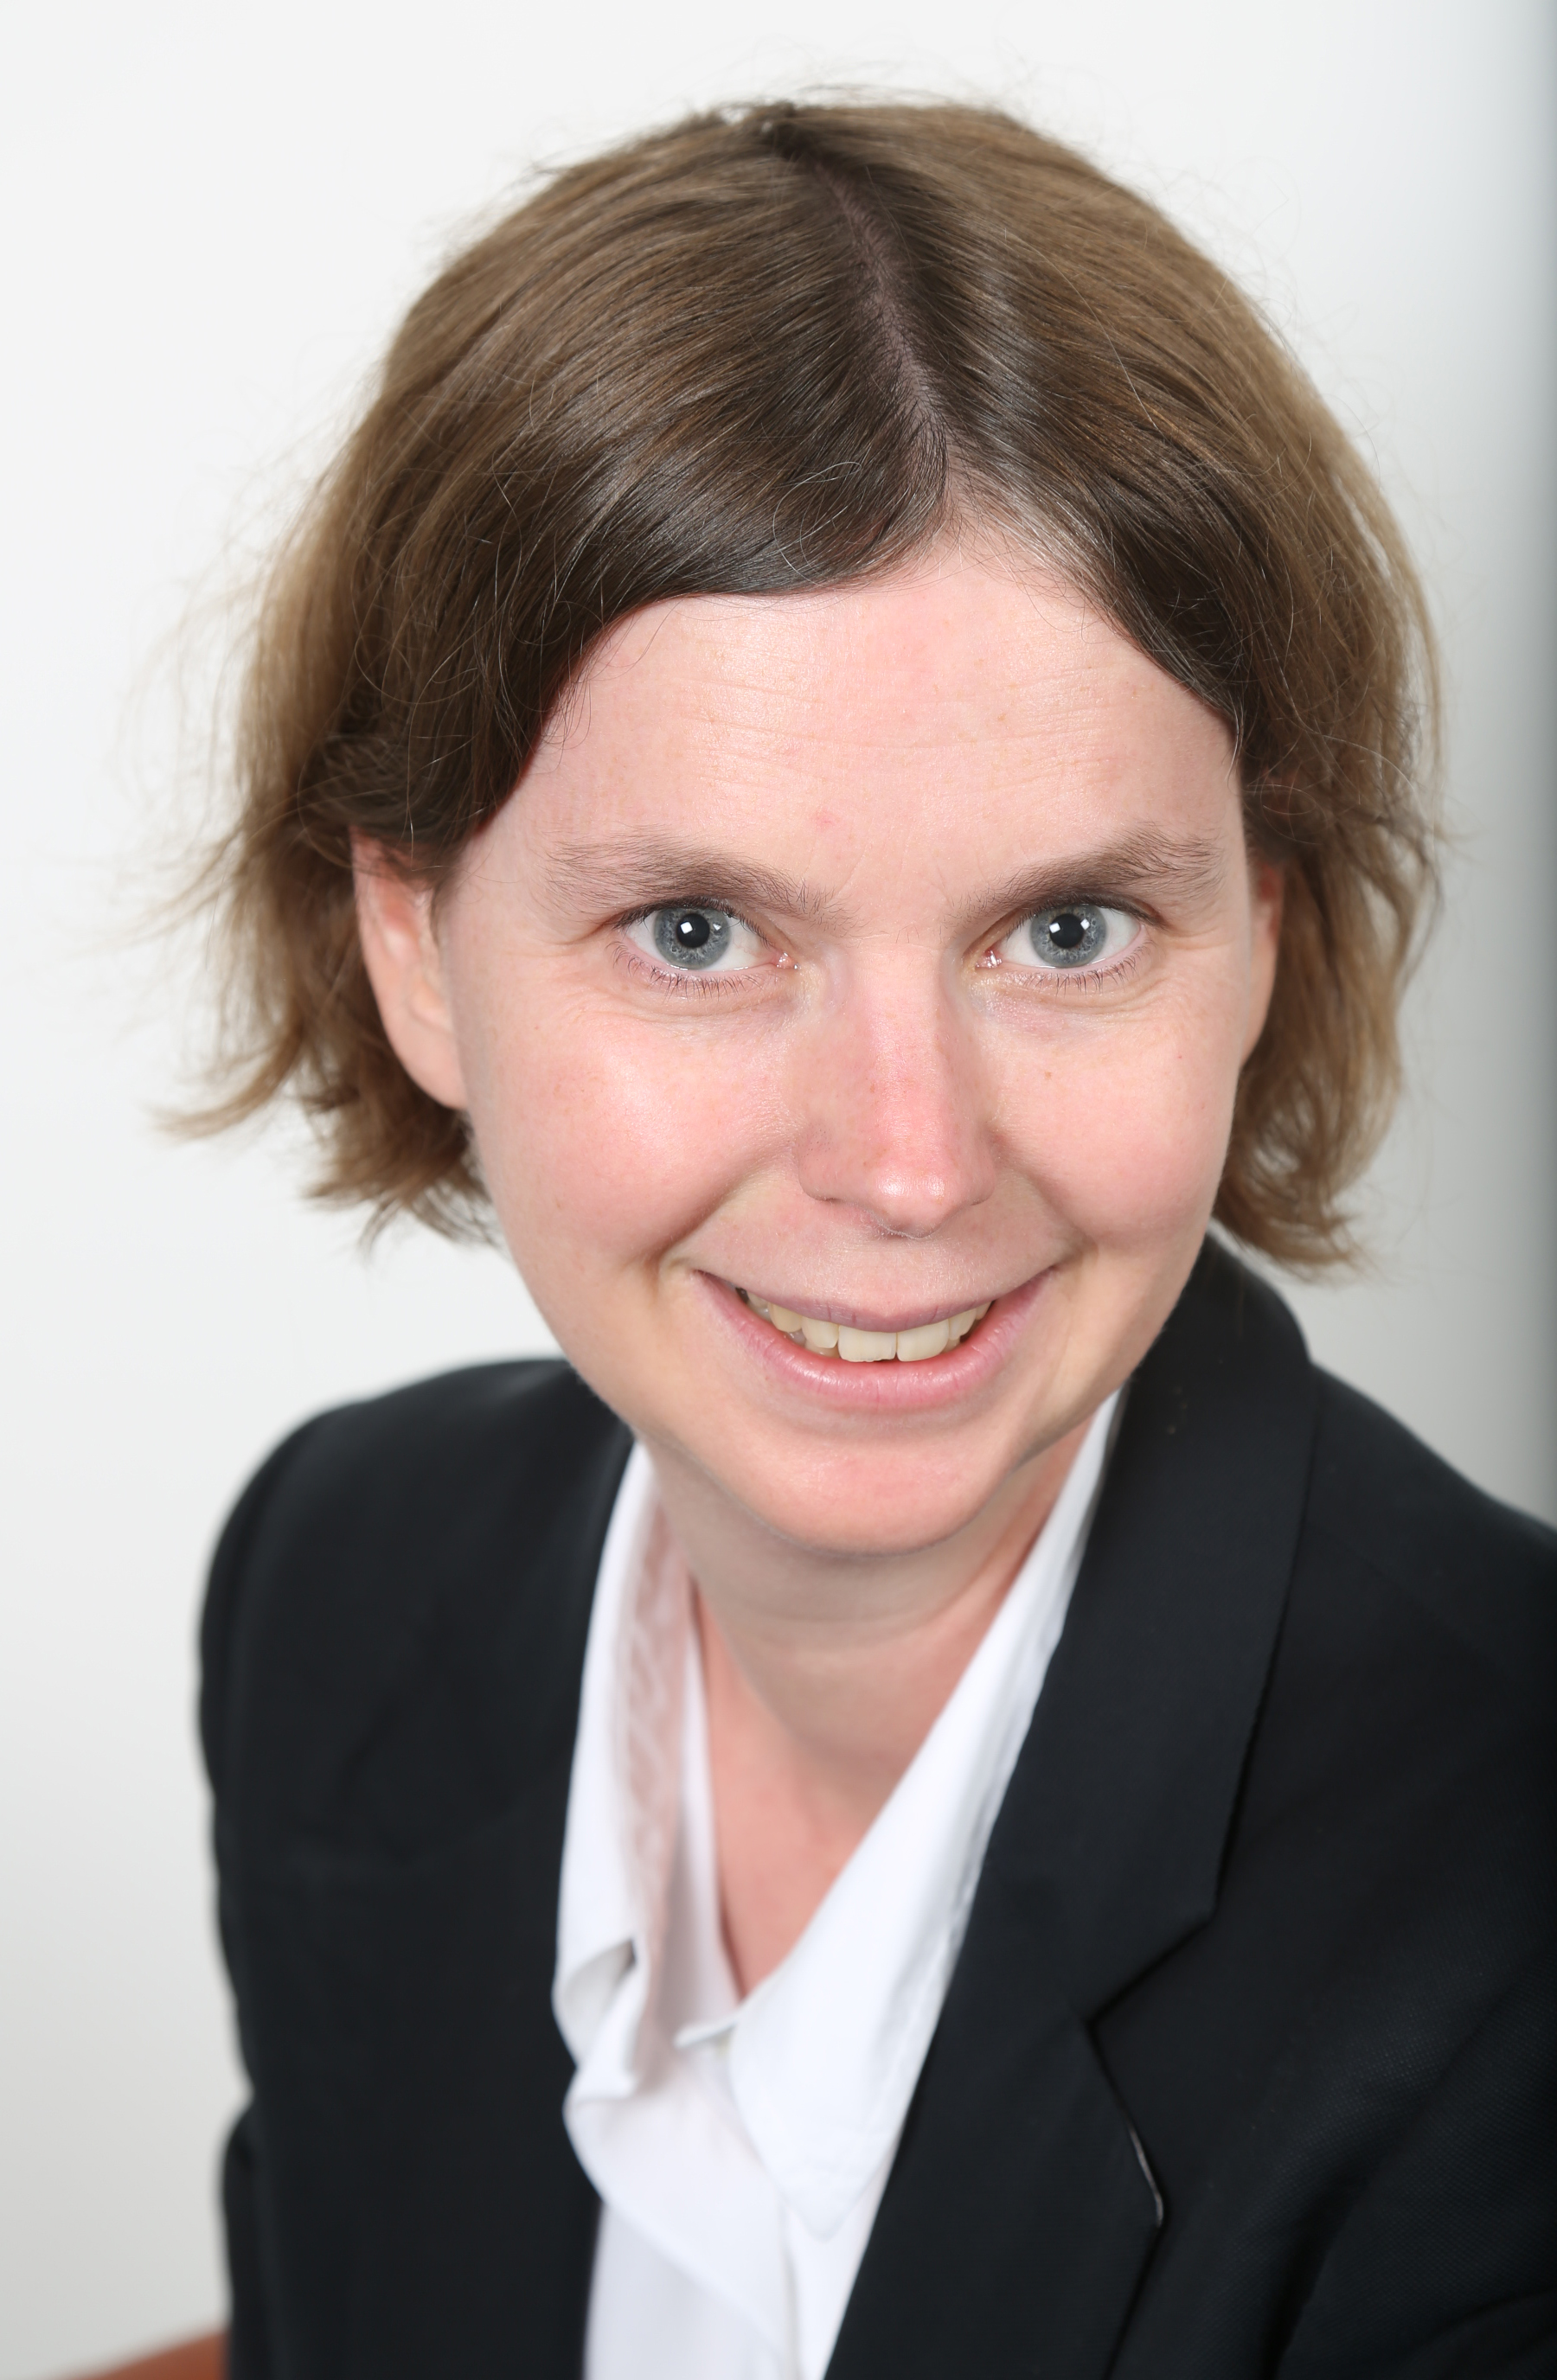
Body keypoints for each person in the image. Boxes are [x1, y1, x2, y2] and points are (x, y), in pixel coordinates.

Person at [189, 99, 1554, 2380]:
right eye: (699, 930)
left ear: (1260, 941)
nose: (909, 1166)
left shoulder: (1513, 1922)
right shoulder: (340, 1581)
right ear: (412, 943)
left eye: (1070, 927)